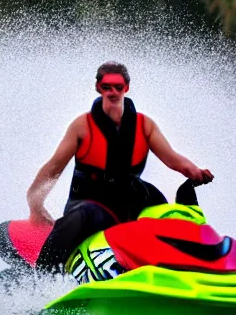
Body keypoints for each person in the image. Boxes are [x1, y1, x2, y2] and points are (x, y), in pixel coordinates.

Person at [27, 61, 213, 271]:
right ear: (99, 88)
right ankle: (41, 277)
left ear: (127, 87)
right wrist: (35, 204)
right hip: (92, 201)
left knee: (171, 213)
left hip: (130, 199)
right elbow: (54, 167)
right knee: (79, 218)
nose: (113, 92)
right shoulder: (82, 126)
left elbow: (173, 159)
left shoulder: (145, 125)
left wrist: (195, 172)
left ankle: (199, 262)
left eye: (118, 87)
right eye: (107, 87)